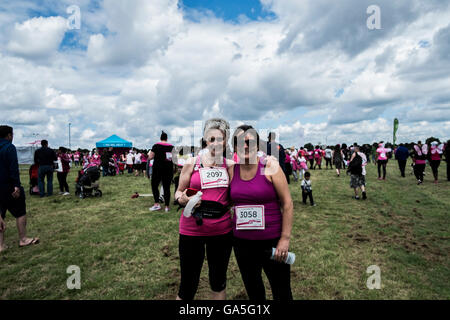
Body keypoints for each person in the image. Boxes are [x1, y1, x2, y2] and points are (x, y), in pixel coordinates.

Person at [230, 125, 294, 301]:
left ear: (257, 146)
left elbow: (287, 204)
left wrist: (285, 239)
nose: (245, 146)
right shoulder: (231, 170)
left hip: (272, 243)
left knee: (282, 291)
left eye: (249, 142)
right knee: (254, 292)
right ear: (234, 147)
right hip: (242, 244)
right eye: (240, 143)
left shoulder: (270, 166)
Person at [174, 118, 234, 300]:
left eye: (220, 139)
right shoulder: (191, 163)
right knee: (188, 285)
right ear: (205, 140)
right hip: (192, 230)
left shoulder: (230, 166)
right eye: (211, 139)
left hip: (221, 231)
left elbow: (234, 196)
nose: (216, 143)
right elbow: (177, 193)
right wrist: (182, 199)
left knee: (218, 282)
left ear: (226, 141)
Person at [0, 125, 40, 252]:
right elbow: (13, 167)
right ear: (9, 135)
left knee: (0, 215)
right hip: (9, 186)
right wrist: (16, 185)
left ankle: (0, 245)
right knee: (20, 212)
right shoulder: (9, 147)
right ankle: (23, 239)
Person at [149, 131, 174, 212]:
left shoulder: (156, 146)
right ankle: (167, 206)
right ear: (167, 138)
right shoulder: (172, 147)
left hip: (157, 169)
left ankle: (157, 204)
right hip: (168, 169)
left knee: (154, 185)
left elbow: (150, 157)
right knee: (167, 188)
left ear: (160, 138)